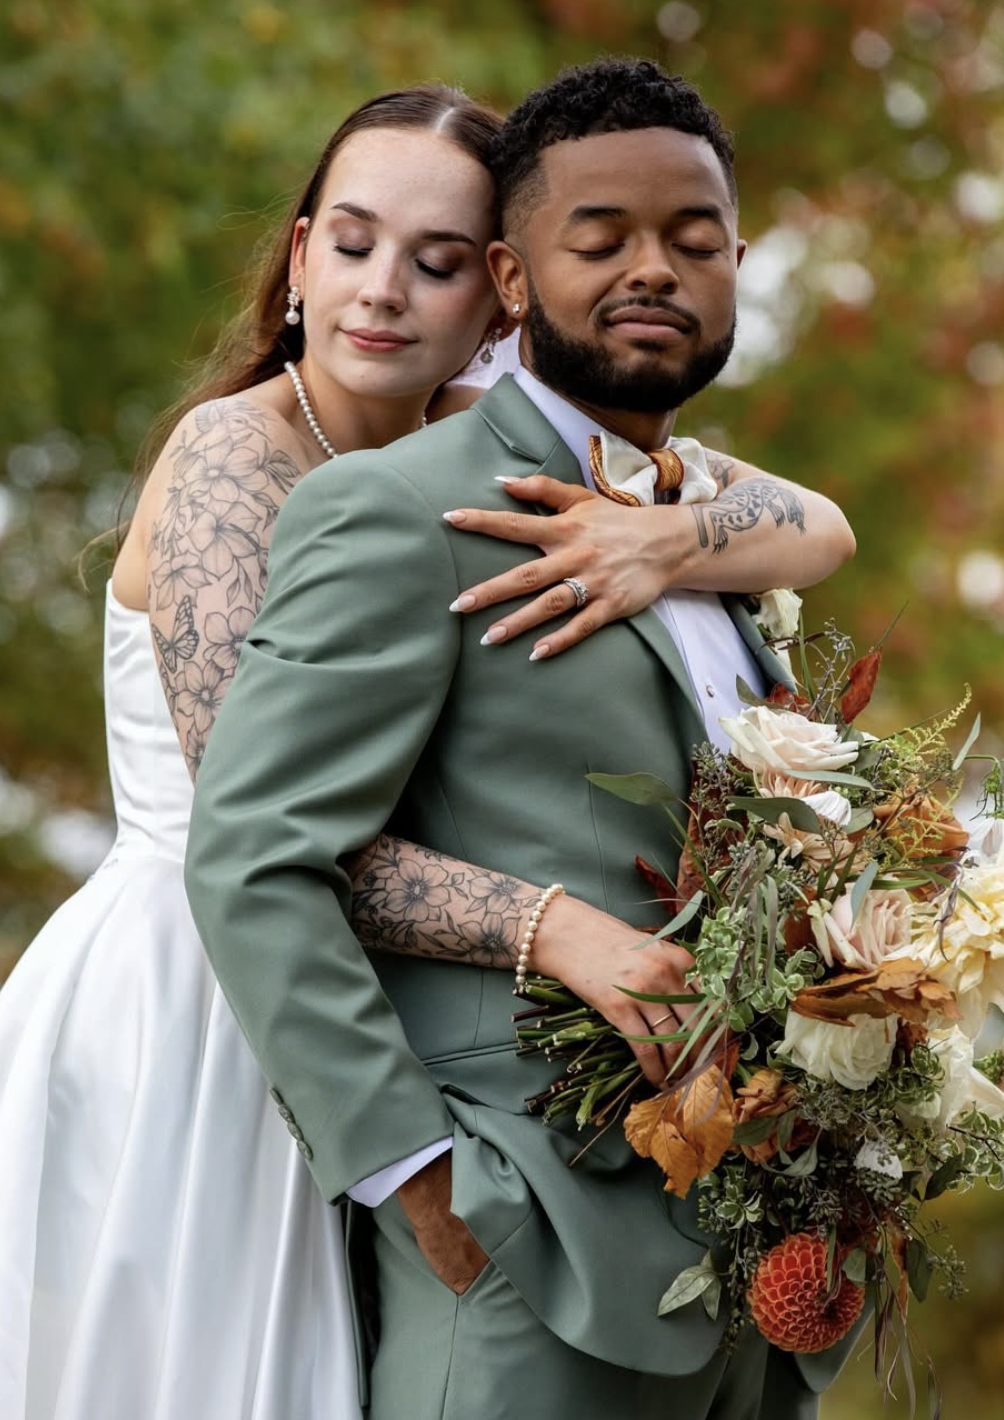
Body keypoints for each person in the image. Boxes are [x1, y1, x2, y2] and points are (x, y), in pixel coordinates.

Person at [0, 81, 851, 1420]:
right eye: (351, 244)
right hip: (206, 1018)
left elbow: (820, 522)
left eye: (438, 261)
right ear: (297, 257)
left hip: (397, 1024)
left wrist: (667, 537)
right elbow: (256, 834)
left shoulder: (536, 472)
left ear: (494, 292)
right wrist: (546, 937)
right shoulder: (240, 456)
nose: (384, 290)